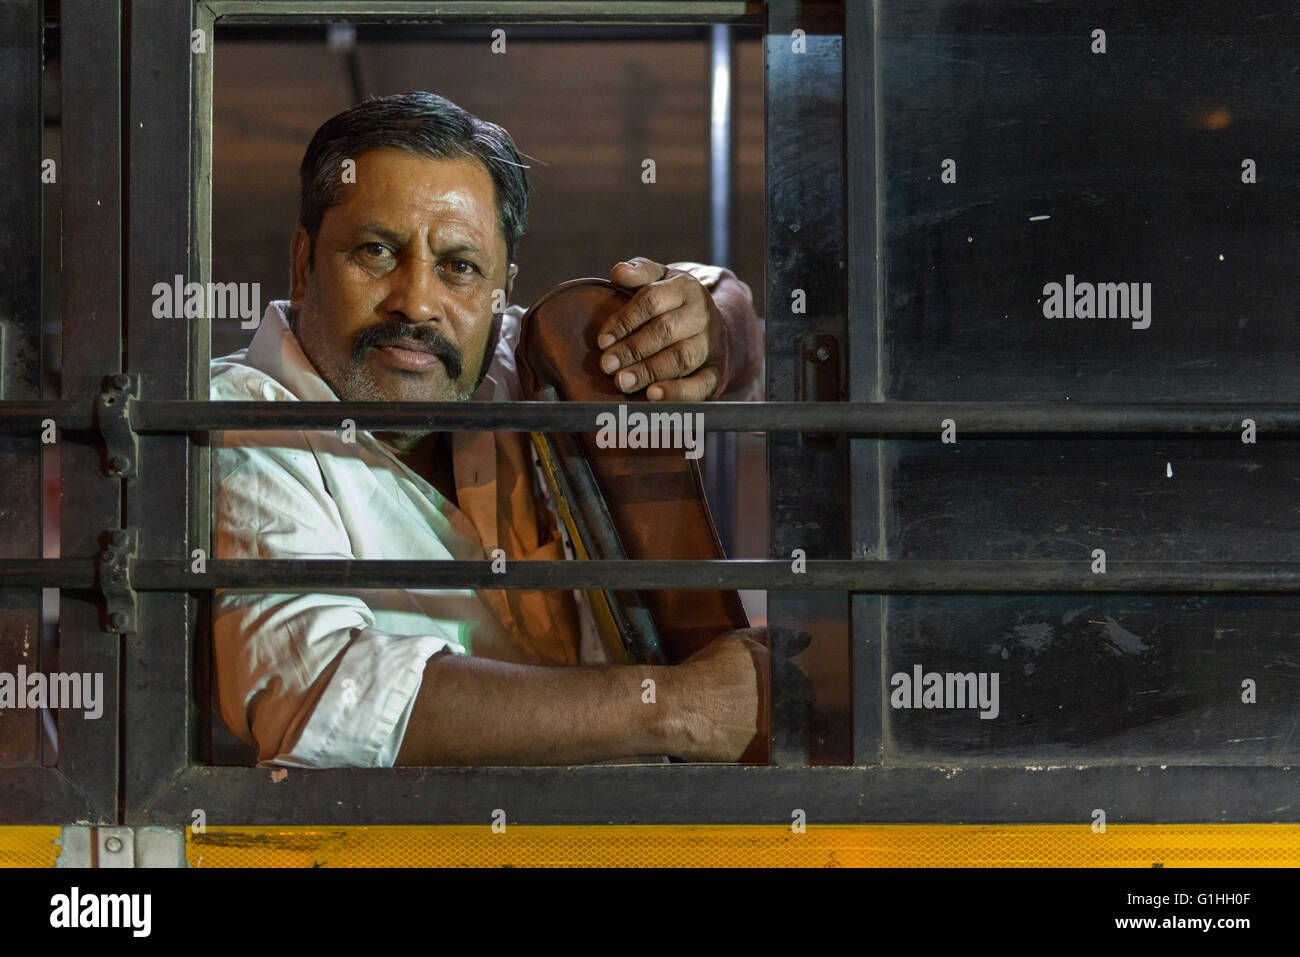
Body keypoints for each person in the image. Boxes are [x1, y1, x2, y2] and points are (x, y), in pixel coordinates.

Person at [211, 91, 767, 768]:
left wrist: (716, 322)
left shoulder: (512, 361)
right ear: (303, 265)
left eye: (459, 267)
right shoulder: (237, 421)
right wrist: (679, 708)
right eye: (377, 251)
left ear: (501, 287)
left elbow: (729, 331)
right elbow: (323, 692)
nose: (417, 300)